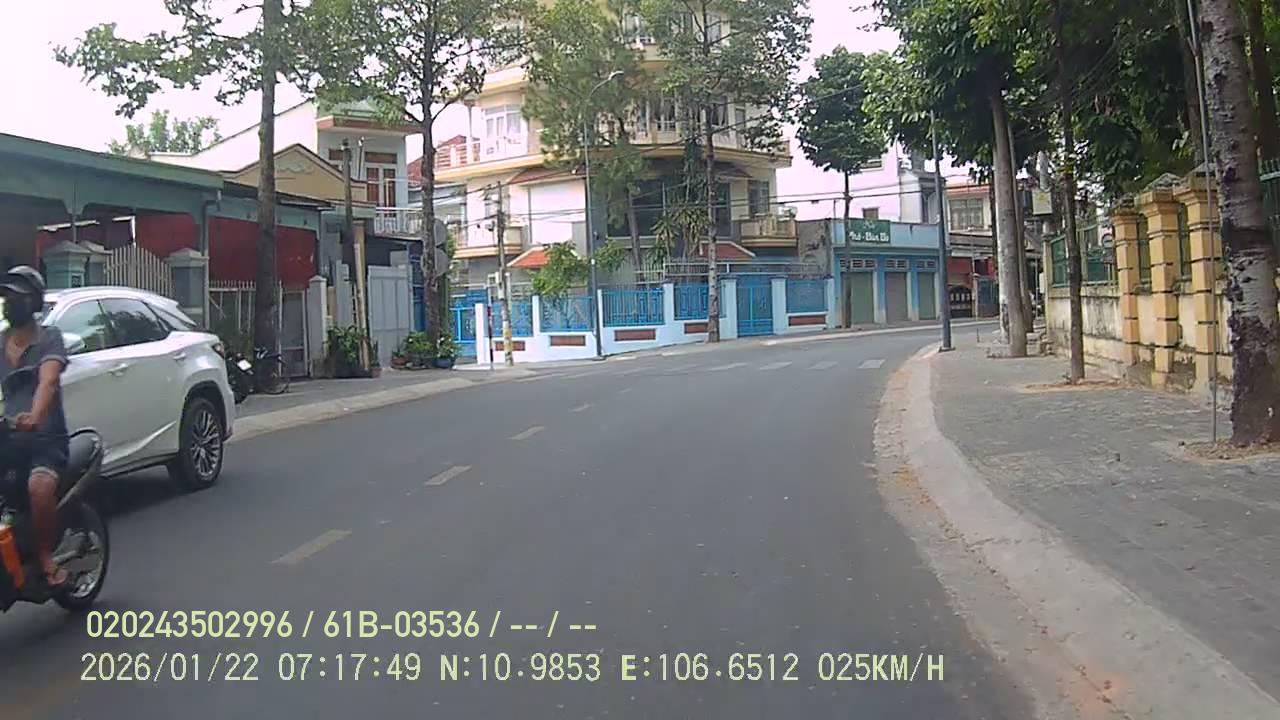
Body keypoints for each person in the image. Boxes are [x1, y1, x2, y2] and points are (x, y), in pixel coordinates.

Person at [0, 266, 70, 589]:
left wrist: (36, 415)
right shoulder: (1, 342)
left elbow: (49, 380)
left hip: (45, 438)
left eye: (17, 298)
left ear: (33, 302)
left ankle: (45, 557)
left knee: (39, 488)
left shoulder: (48, 338)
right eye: (7, 297)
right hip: (7, 438)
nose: (9, 303)